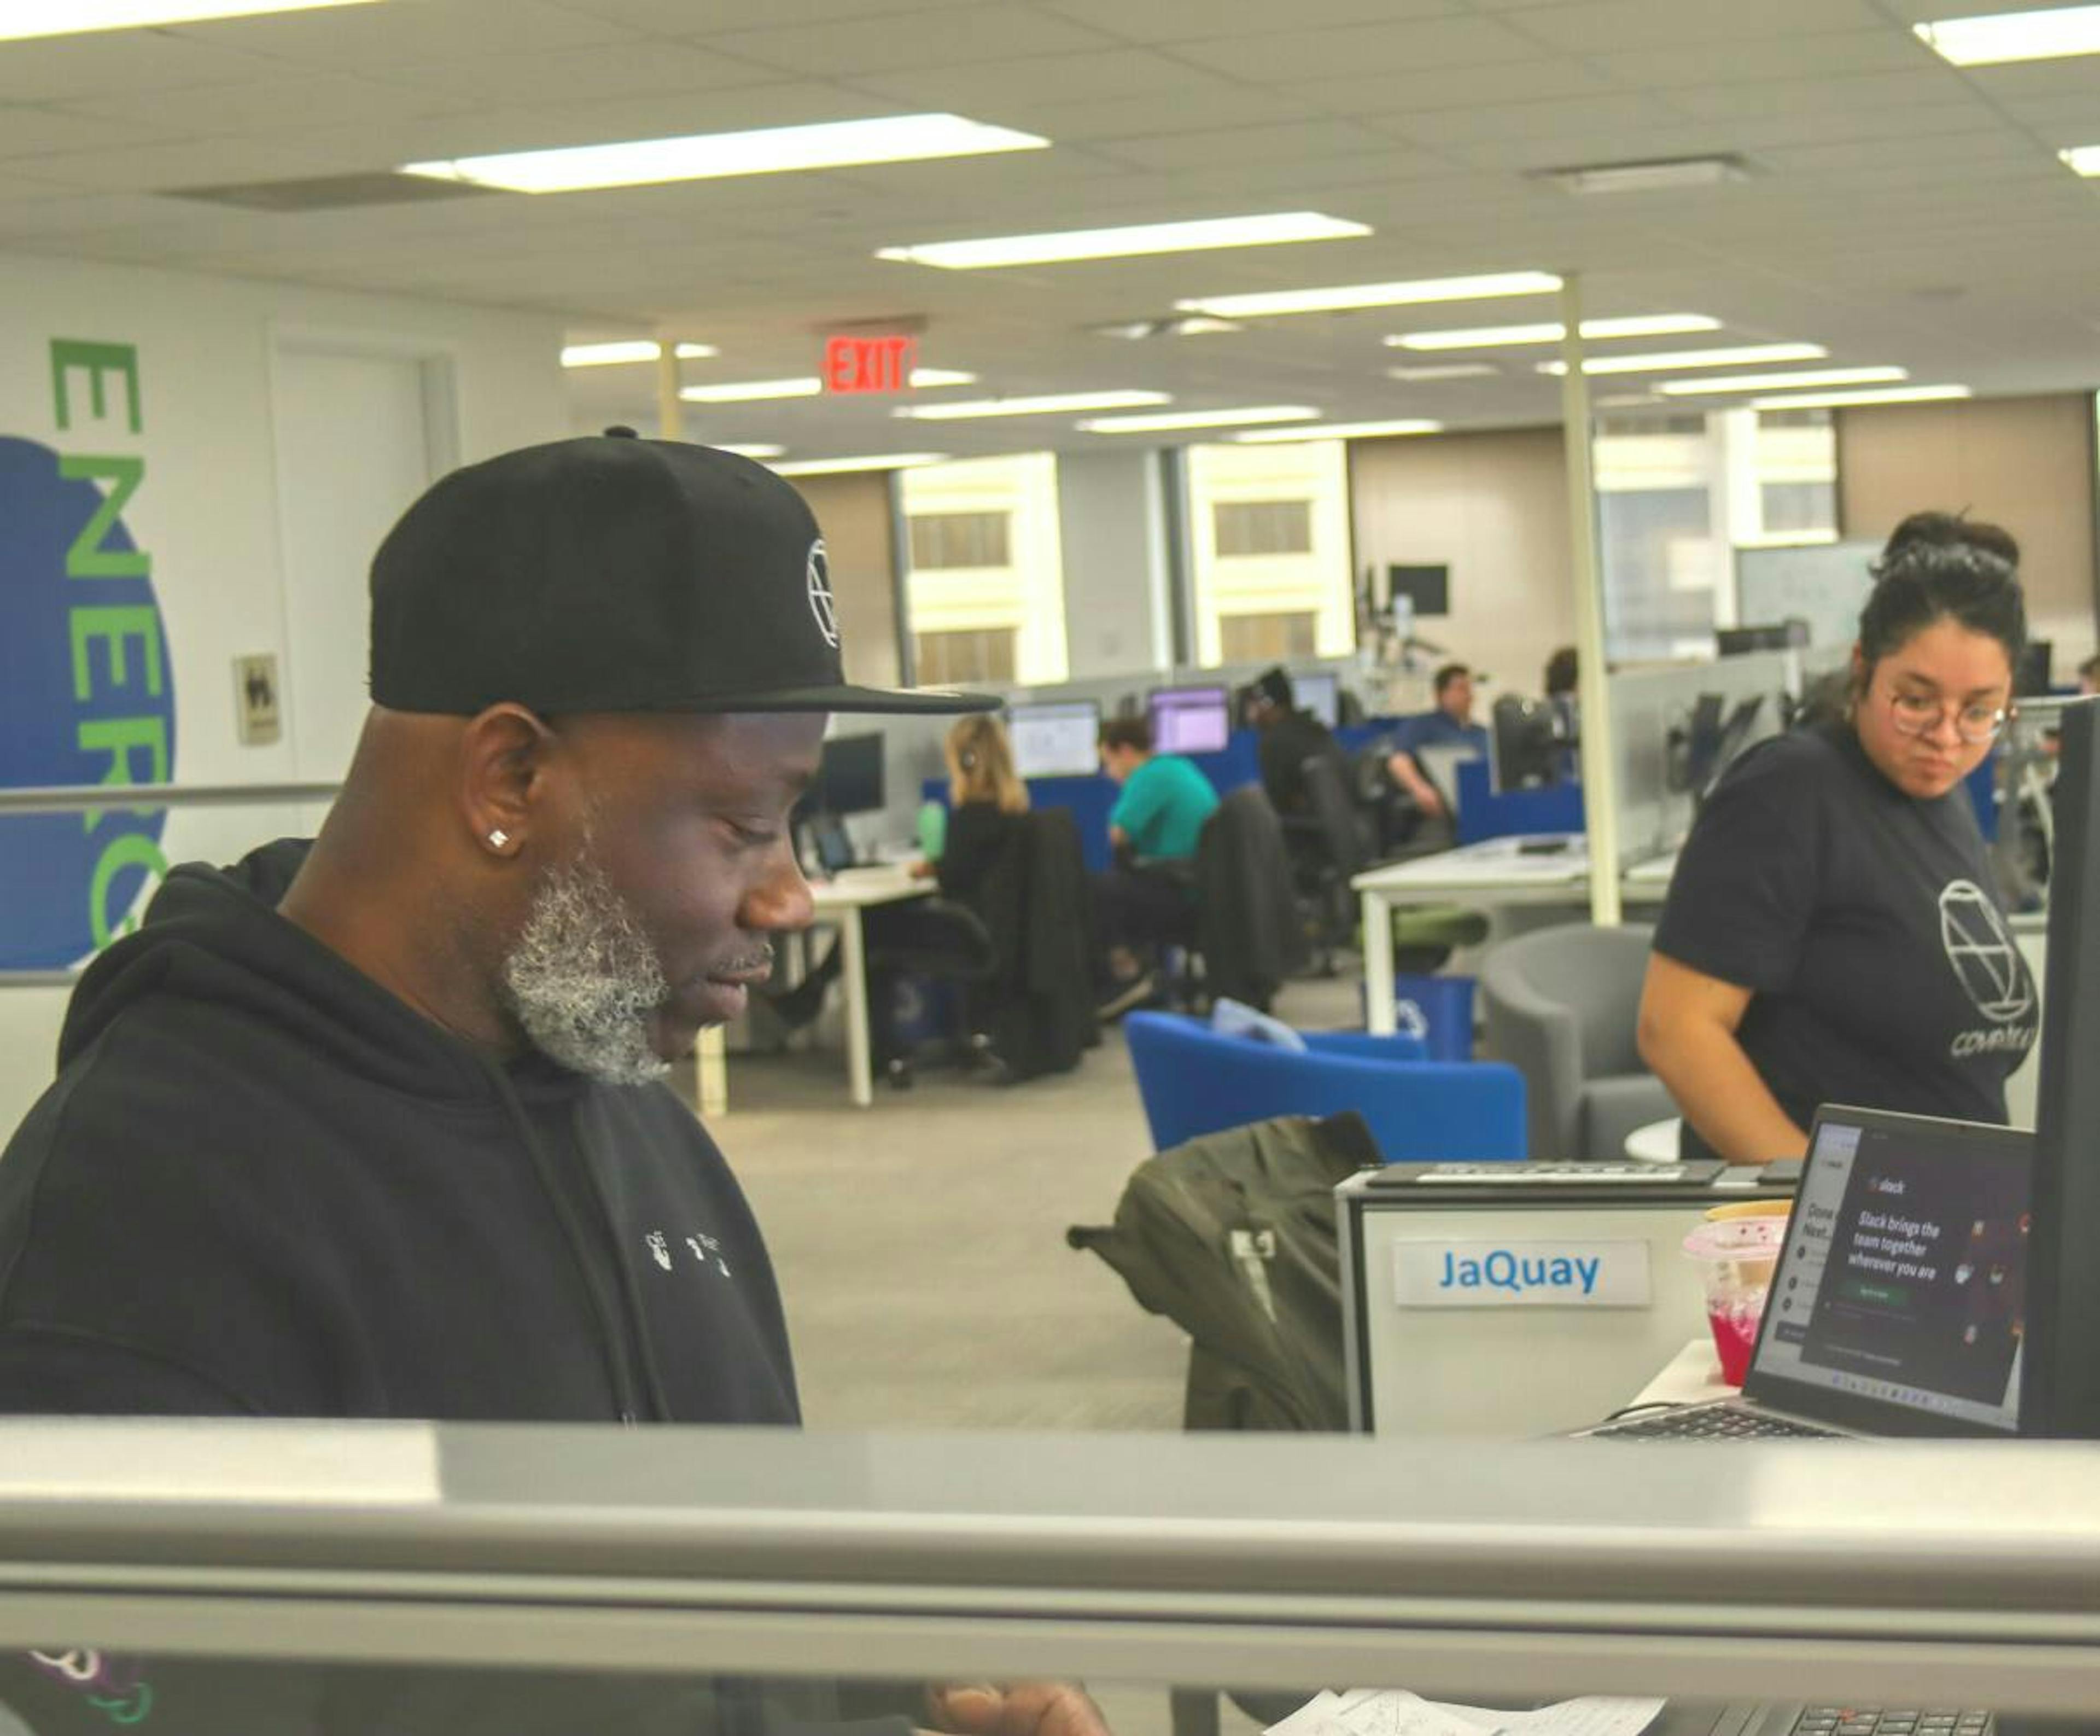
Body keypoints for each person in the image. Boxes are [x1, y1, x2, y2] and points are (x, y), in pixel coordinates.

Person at [0, 431, 1106, 1735]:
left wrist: (892, 1678)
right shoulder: (129, 1228)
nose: (791, 892)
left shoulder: (612, 1092)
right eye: (743, 824)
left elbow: (692, 1596)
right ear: (508, 778)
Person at [1637, 511, 2039, 1166]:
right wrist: (1816, 1197)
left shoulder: (1944, 794)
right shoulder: (1789, 789)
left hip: (1939, 1214)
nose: (1945, 737)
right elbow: (1676, 1030)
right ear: (1862, 668)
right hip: (1827, 1230)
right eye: (1914, 701)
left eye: (1979, 712)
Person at [1093, 714, 1219, 1014]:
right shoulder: (1175, 766)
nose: (1109, 773)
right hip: (1202, 886)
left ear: (1124, 751)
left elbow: (1117, 834)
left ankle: (1127, 976)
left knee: (1094, 889)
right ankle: (1139, 972)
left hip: (1183, 893)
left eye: (1107, 761)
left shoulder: (1150, 776)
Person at [1384, 662, 1488, 822]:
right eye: (1461, 689)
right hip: (1441, 813)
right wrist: (1420, 790)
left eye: (1470, 688)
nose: (1469, 695)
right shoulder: (1422, 726)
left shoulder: (1482, 733)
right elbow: (1399, 762)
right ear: (1440, 694)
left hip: (1481, 806)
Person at [1246, 665, 1345, 818]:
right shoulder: (1315, 729)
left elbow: (1279, 806)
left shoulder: (1273, 743)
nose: (1253, 715)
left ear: (1267, 705)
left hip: (1304, 834)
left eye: (1255, 706)